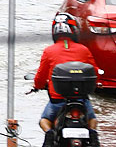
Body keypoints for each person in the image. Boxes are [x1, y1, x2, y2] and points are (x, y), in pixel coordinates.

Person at [34, 16, 100, 147]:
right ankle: (93, 135)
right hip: (81, 100)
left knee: (44, 119)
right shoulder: (83, 49)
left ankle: (49, 134)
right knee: (92, 119)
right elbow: (95, 72)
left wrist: (37, 86)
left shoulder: (49, 51)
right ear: (74, 30)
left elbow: (40, 77)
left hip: (57, 100)